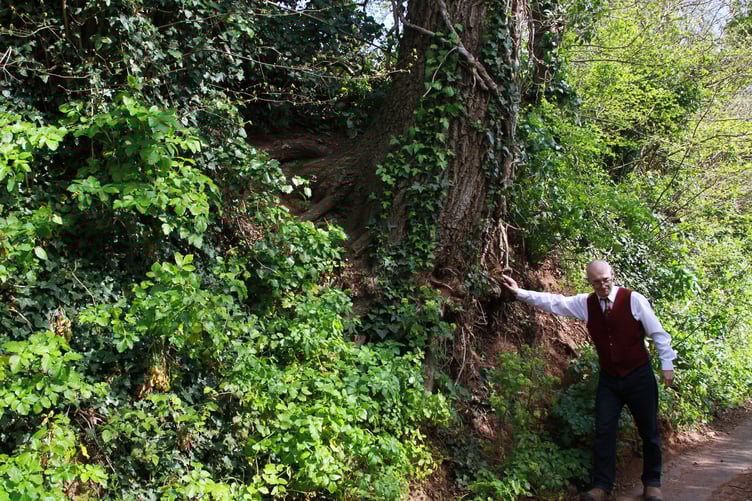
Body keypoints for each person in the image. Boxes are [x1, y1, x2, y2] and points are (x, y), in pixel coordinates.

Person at [501, 260, 676, 501]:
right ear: (590, 282)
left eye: (606, 280)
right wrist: (519, 292)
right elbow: (555, 302)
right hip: (610, 379)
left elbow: (658, 334)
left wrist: (667, 365)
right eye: (597, 282)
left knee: (649, 430)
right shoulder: (586, 303)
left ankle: (652, 483)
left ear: (612, 275)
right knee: (604, 430)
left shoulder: (634, 299)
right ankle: (602, 486)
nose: (603, 285)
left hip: (639, 375)